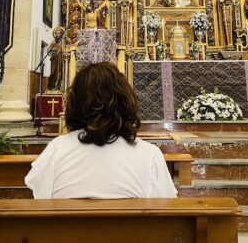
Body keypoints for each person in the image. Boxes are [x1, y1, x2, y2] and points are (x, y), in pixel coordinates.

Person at [25, 62, 177, 199]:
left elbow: (40, 197)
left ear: (75, 102)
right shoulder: (150, 155)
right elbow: (166, 210)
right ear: (125, 101)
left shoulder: (56, 150)